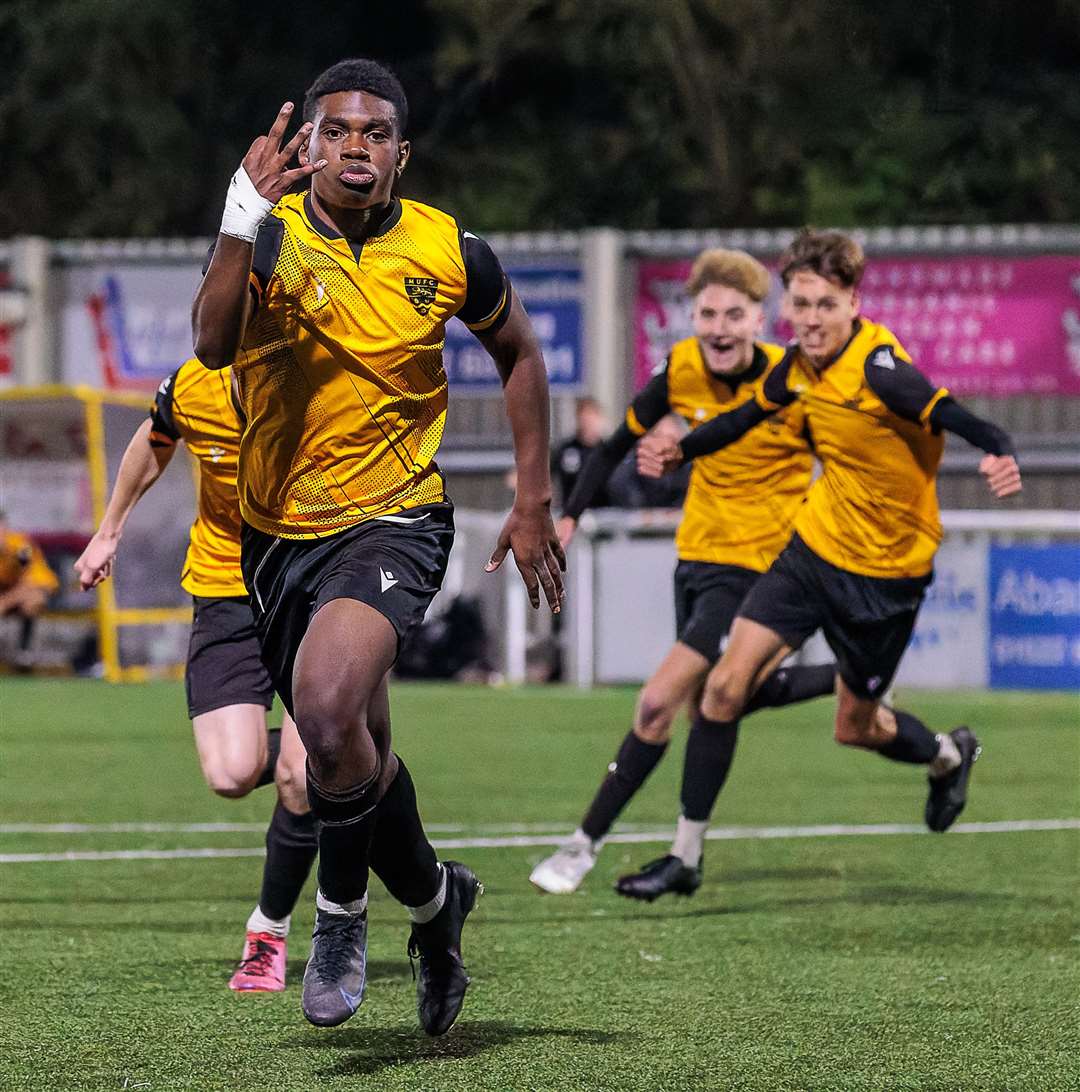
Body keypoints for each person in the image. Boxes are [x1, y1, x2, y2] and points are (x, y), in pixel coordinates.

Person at [191, 58, 564, 1033]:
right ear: (308, 147)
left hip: (396, 520)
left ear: (402, 152)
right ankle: (439, 912)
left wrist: (534, 497)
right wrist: (238, 217)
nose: (356, 146)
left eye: (376, 132)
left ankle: (340, 916)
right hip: (274, 537)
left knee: (322, 708)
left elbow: (520, 353)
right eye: (337, 131)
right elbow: (212, 346)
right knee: (357, 755)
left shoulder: (448, 249)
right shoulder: (267, 236)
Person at [638, 229, 1022, 837]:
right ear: (785, 306)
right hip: (812, 550)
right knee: (724, 686)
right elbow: (742, 418)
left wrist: (1000, 449)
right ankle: (684, 854)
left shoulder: (880, 371)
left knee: (856, 726)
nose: (811, 319)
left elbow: (948, 411)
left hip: (888, 570)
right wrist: (681, 451)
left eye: (825, 305)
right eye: (801, 303)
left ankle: (948, 754)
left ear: (852, 305)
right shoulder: (795, 367)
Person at [530, 249, 837, 900]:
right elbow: (613, 446)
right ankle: (852, 681)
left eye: (734, 314)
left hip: (757, 570)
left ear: (760, 319)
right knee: (717, 701)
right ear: (691, 319)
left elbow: (846, 457)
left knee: (657, 701)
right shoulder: (680, 371)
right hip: (695, 560)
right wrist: (570, 517)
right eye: (707, 314)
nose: (720, 327)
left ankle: (582, 845)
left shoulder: (795, 380)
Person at [74, 358, 316, 994]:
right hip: (224, 590)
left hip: (309, 588)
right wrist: (109, 530)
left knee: (297, 774)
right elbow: (155, 437)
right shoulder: (194, 384)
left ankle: (268, 932)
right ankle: (345, 750)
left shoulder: (313, 375)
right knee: (231, 773)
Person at [0, 513, 59, 671]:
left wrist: (5, 602)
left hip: (37, 590)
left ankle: (24, 653)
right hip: (7, 592)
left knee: (32, 601)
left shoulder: (20, 546)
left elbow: (32, 584)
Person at [552, 397, 612, 508]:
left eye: (591, 419)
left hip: (603, 513)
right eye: (584, 419)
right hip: (571, 513)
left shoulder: (608, 450)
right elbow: (548, 473)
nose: (588, 423)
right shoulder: (566, 449)